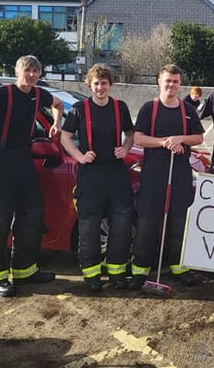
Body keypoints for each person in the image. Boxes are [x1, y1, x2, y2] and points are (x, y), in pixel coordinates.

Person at [0, 55, 63, 298]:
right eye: (27, 70)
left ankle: (25, 271)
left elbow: (59, 105)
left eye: (35, 70)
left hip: (23, 161)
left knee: (32, 213)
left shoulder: (38, 94)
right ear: (17, 71)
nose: (31, 74)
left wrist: (55, 125)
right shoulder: (2, 95)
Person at [60, 64, 135, 293]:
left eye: (104, 83)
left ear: (110, 85)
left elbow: (130, 134)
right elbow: (65, 137)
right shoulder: (79, 109)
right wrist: (80, 156)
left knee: (121, 223)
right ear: (89, 85)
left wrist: (125, 148)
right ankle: (91, 275)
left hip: (116, 173)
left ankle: (116, 273)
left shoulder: (119, 107)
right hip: (91, 175)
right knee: (89, 226)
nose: (100, 87)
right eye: (96, 84)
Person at [130, 64, 205, 289]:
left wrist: (181, 138)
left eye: (175, 81)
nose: (171, 85)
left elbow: (199, 137)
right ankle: (140, 270)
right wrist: (164, 142)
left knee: (179, 221)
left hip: (180, 173)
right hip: (153, 174)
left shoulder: (187, 110)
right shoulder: (149, 109)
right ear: (159, 82)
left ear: (179, 84)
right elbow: (139, 138)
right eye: (167, 81)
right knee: (147, 220)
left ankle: (178, 267)